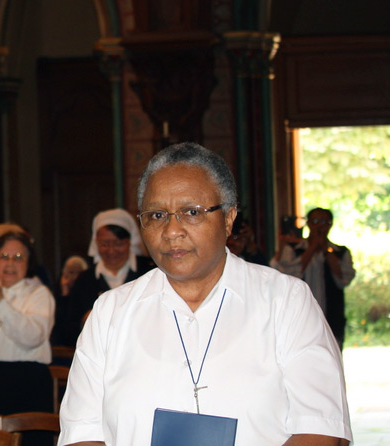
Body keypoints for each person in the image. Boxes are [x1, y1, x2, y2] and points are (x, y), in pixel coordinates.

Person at [58, 142, 351, 446]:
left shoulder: (285, 301)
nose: (172, 231)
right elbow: (81, 432)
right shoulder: (110, 313)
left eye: (191, 212)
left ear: (228, 218)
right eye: (157, 215)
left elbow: (322, 427)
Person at [0, 231, 55, 441]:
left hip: (27, 381)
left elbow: (32, 337)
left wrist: (0, 303)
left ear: (29, 262)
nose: (10, 263)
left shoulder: (38, 293)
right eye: (4, 256)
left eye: (18, 257)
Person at [54, 209, 155, 346]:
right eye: (105, 244)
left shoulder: (149, 272)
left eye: (118, 243)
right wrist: (85, 322)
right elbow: (67, 332)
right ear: (96, 243)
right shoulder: (85, 280)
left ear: (130, 241)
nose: (111, 251)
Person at [271, 207, 355, 347]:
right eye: (315, 221)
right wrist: (311, 248)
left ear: (330, 224)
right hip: (299, 320)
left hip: (332, 320)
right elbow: (288, 276)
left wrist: (326, 250)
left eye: (324, 222)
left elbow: (344, 280)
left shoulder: (341, 252)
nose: (319, 226)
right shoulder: (293, 248)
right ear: (308, 223)